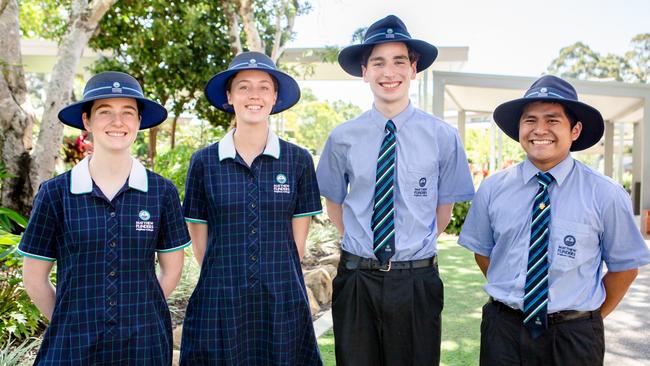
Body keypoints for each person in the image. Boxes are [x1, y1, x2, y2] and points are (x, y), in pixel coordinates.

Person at [458, 75, 650, 365]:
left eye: (552, 121)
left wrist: (586, 318)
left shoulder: (605, 194)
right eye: (530, 120)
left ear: (575, 130)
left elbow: (624, 269)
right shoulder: (492, 189)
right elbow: (484, 253)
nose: (539, 130)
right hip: (503, 332)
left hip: (574, 338)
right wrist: (518, 297)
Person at [316, 15, 475, 366]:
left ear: (413, 69)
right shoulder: (342, 138)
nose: (389, 72)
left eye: (399, 61)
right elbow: (335, 205)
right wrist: (365, 248)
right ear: (365, 71)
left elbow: (442, 213)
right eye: (378, 63)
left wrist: (407, 252)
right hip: (357, 280)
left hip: (417, 281)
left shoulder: (443, 137)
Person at [19, 71, 190, 365]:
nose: (117, 122)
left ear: (138, 121)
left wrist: (137, 313)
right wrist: (71, 321)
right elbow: (34, 278)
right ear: (86, 121)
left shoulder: (162, 192)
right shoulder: (56, 194)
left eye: (127, 112)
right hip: (72, 345)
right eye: (105, 112)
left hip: (144, 344)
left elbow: (172, 270)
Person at [180, 51, 323, 365]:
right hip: (220, 297)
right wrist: (228, 278)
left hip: (281, 295)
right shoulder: (203, 162)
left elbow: (296, 245)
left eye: (263, 87)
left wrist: (269, 277)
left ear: (274, 97)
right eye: (243, 87)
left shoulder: (298, 160)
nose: (253, 95)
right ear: (229, 96)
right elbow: (200, 244)